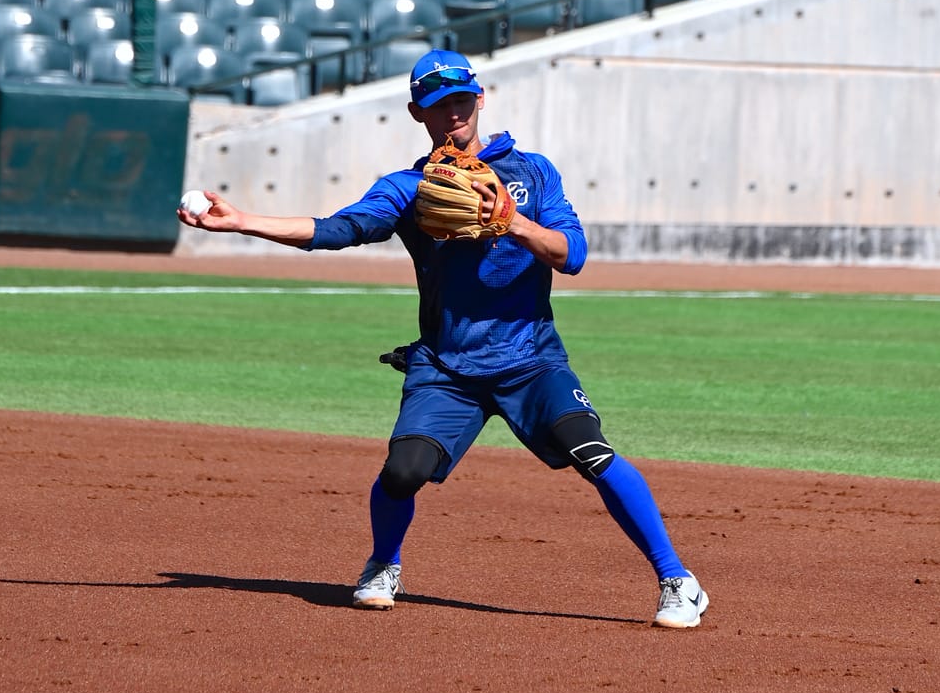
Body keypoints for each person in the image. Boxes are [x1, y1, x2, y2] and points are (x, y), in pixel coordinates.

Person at [177, 49, 710, 628]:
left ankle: (678, 580)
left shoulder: (532, 173)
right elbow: (337, 230)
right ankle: (383, 564)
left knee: (589, 450)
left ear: (479, 98)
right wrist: (244, 221)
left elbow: (572, 256)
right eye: (438, 105)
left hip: (530, 360)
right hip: (448, 367)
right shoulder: (407, 188)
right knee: (403, 471)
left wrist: (515, 223)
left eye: (461, 99)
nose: (453, 113)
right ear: (417, 113)